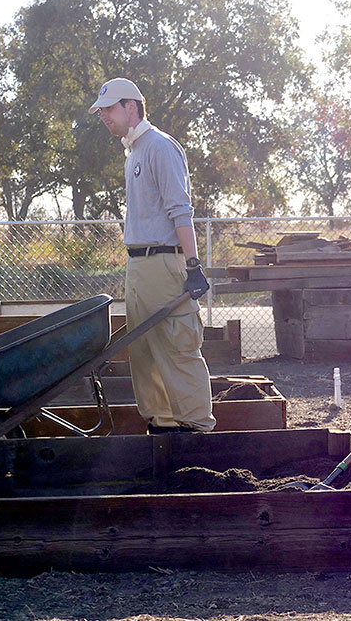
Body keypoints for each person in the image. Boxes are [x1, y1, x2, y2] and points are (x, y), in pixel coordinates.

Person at [89, 77, 215, 434]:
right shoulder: (134, 152)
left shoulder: (161, 147)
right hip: (139, 265)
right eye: (101, 111)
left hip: (164, 262)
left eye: (109, 109)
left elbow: (181, 210)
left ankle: (196, 431)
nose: (104, 117)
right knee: (143, 352)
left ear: (132, 107)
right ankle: (162, 429)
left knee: (178, 346)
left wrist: (192, 265)